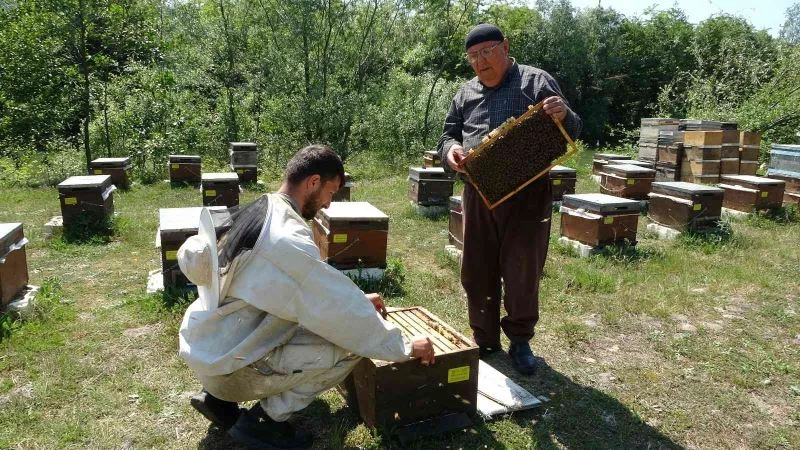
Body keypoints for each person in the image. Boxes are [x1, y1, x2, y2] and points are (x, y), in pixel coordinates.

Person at [177, 144, 435, 449]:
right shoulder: (284, 239)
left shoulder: (263, 207)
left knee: (328, 324)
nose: (328, 204)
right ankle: (264, 422)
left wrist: (357, 298)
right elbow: (340, 314)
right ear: (313, 182)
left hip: (210, 348)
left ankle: (218, 400)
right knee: (350, 346)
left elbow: (295, 291)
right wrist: (404, 346)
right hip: (230, 365)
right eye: (330, 192)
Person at [437, 24, 582, 376]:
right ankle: (484, 338)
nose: (480, 61)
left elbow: (572, 129)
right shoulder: (464, 93)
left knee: (521, 270)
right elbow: (447, 136)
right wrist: (451, 150)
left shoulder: (536, 82)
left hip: (527, 194)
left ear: (505, 46)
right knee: (477, 268)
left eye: (486, 52)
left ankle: (520, 340)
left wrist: (565, 114)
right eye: (473, 56)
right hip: (479, 192)